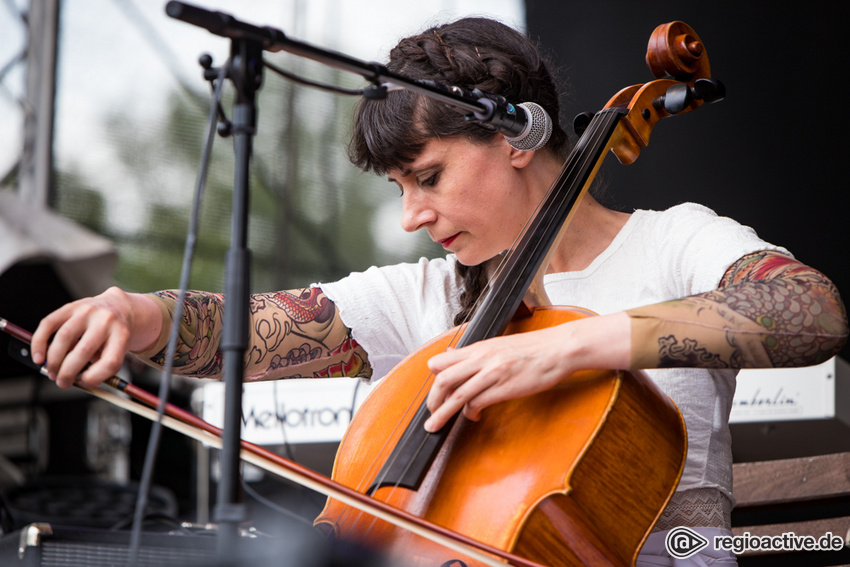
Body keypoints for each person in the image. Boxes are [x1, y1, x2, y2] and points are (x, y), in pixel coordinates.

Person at [30, 17, 847, 566]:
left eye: (428, 177)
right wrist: (135, 313)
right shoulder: (424, 299)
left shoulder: (675, 244)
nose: (412, 217)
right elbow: (239, 329)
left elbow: (811, 311)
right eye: (398, 187)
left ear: (516, 136)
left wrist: (570, 341)